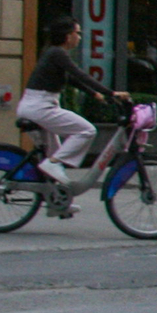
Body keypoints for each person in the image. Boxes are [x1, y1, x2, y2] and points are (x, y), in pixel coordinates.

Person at [17, 14, 128, 190]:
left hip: (36, 106)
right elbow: (79, 74)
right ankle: (52, 165)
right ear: (68, 36)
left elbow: (70, 79)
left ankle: (57, 198)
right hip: (40, 107)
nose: (80, 37)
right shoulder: (57, 53)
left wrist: (94, 94)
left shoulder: (53, 53)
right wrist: (111, 92)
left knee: (54, 155)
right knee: (86, 130)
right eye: (78, 33)